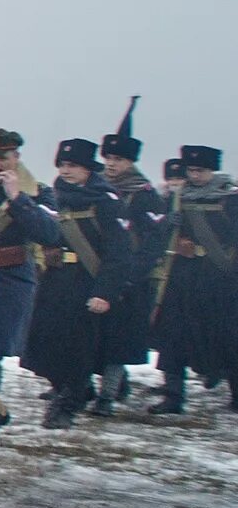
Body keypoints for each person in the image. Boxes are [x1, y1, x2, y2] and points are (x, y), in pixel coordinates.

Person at [25, 138, 137, 426]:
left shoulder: (107, 202)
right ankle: (71, 389)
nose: (66, 170)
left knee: (78, 347)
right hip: (57, 280)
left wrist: (106, 292)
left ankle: (68, 404)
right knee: (46, 340)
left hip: (88, 282)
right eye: (62, 164)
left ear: (88, 168)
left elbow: (119, 252)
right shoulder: (56, 197)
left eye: (73, 165)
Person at [0, 130, 59, 459]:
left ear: (16, 157)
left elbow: (50, 233)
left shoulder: (39, 193)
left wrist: (17, 199)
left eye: (3, 157)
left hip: (11, 281)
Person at [153, 144, 238, 414]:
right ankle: (173, 396)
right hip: (184, 273)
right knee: (173, 335)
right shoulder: (178, 198)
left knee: (228, 336)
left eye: (200, 170)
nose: (195, 175)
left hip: (221, 276)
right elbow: (162, 230)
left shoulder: (230, 198)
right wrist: (176, 237)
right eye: (191, 170)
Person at [99, 101, 165, 406]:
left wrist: (130, 276)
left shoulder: (144, 194)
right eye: (109, 157)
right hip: (99, 270)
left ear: (131, 162)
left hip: (131, 278)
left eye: (119, 159)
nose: (111, 164)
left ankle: (108, 395)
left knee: (116, 340)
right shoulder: (97, 189)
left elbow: (153, 241)